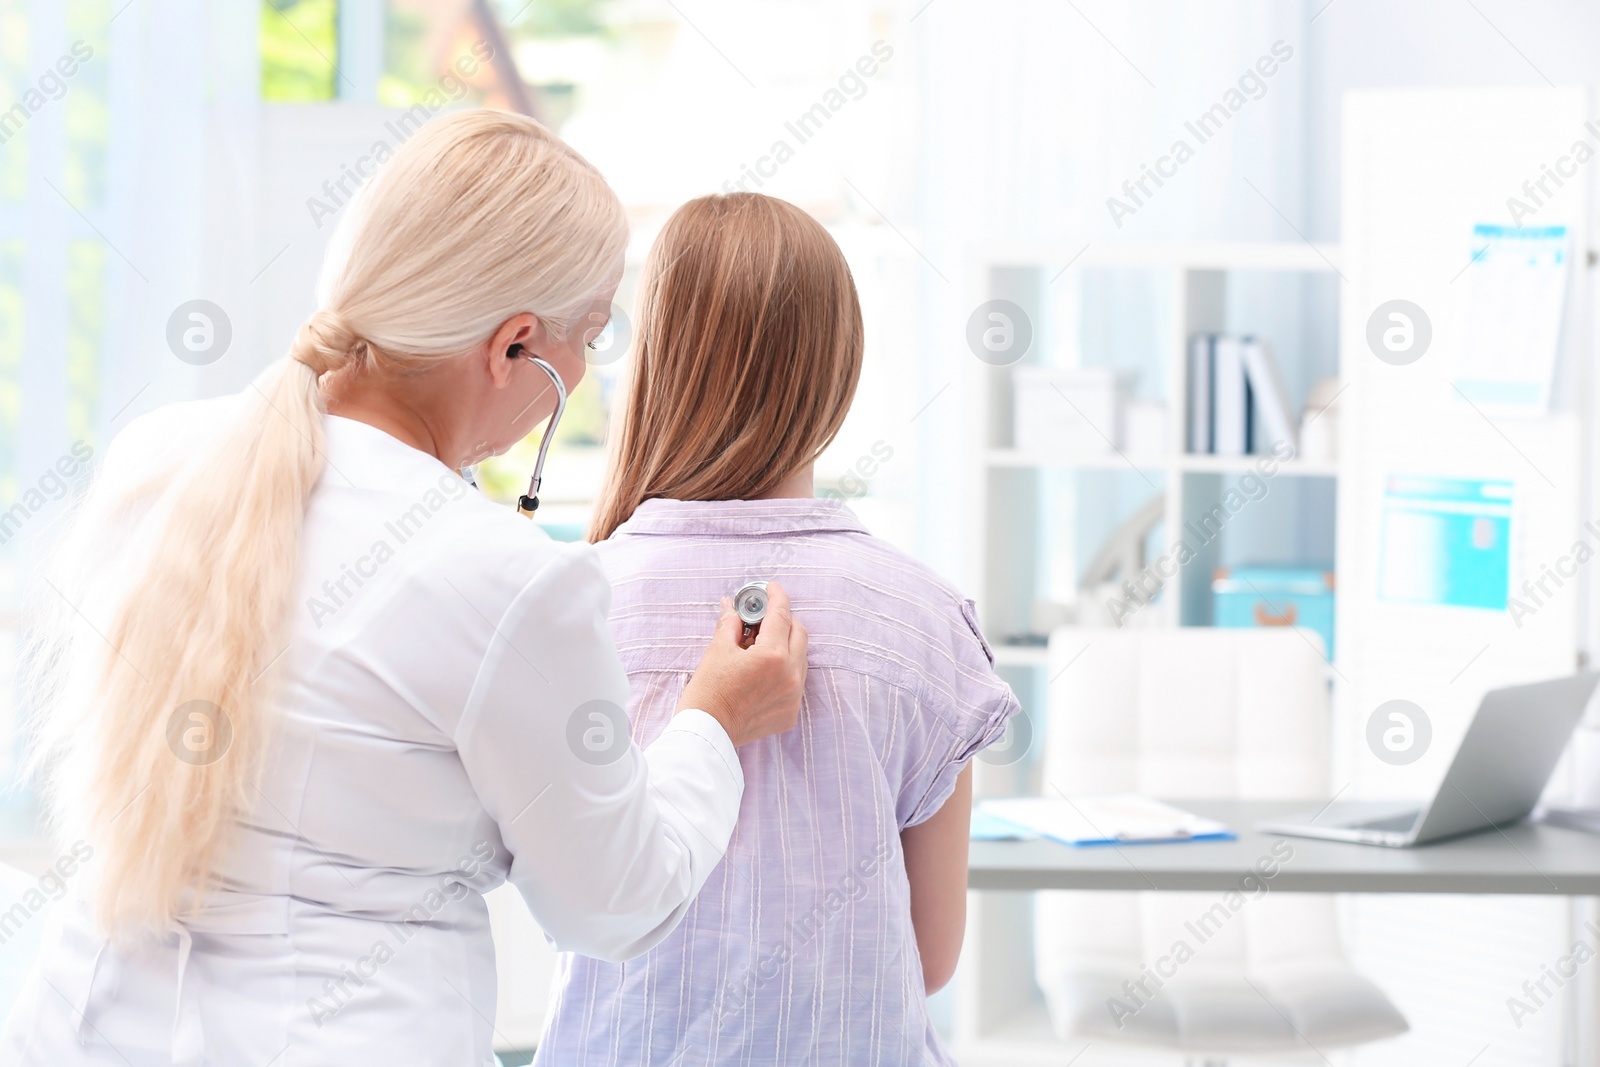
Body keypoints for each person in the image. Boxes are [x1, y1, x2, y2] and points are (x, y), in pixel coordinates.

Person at [1, 112, 807, 1066]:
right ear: (514, 347)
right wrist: (714, 722)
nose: (587, 376)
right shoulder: (507, 581)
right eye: (588, 337)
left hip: (79, 1027)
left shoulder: (161, 456)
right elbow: (610, 900)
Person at [535, 192, 1020, 1066]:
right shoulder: (923, 616)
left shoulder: (573, 601)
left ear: (656, 361)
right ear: (838, 370)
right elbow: (932, 952)